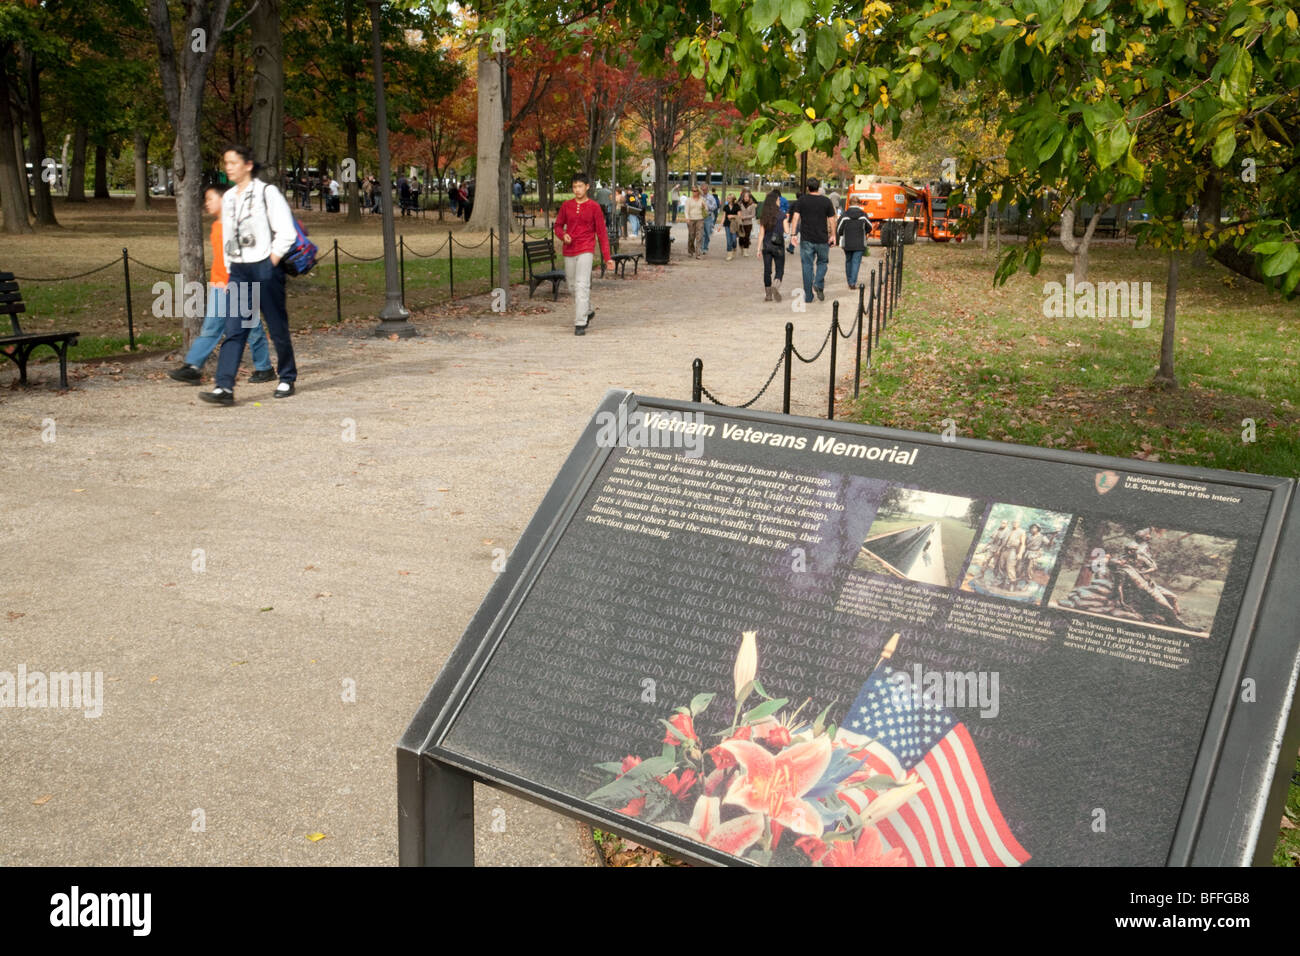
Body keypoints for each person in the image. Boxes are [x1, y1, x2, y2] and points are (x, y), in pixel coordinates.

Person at [200, 144, 299, 405]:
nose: (228, 167)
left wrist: (272, 259)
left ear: (248, 165)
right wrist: (230, 267)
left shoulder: (268, 192)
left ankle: (287, 376)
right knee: (235, 329)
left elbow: (286, 231)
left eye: (233, 162)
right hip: (240, 271)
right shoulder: (230, 197)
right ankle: (224, 387)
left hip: (266, 266)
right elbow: (228, 236)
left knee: (277, 327)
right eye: (226, 163)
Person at [168, 183, 275, 385]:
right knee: (213, 328)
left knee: (251, 327)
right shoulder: (218, 225)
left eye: (210, 199)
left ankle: (264, 368)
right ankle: (193, 367)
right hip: (220, 284)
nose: (206, 203)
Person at [553, 172, 614, 337]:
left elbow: (601, 234)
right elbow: (558, 226)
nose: (577, 189)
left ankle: (580, 323)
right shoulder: (567, 205)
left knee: (582, 285)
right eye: (574, 186)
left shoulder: (594, 207)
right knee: (572, 286)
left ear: (587, 187)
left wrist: (607, 257)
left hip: (586, 249)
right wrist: (562, 235)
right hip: (569, 250)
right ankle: (587, 309)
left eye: (580, 186)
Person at [790, 177, 837, 302]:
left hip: (806, 239)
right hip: (822, 238)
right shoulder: (826, 201)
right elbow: (832, 219)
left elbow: (795, 218)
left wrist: (793, 234)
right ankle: (818, 283)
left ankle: (809, 297)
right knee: (822, 263)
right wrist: (833, 235)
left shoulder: (802, 200)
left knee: (807, 266)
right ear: (818, 187)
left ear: (807, 188)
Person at [835, 198, 872, 290]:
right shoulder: (863, 215)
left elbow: (839, 229)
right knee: (856, 262)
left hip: (847, 243)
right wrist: (865, 231)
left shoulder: (844, 215)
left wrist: (841, 234)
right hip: (859, 243)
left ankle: (849, 281)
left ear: (849, 203)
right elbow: (870, 227)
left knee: (848, 261)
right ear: (859, 203)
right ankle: (853, 282)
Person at [757, 188, 786, 301]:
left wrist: (758, 249)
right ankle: (776, 285)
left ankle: (768, 295)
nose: (779, 201)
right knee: (779, 269)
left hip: (767, 245)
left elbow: (761, 234)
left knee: (767, 270)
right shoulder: (782, 215)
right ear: (775, 201)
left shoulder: (764, 216)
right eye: (778, 199)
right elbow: (787, 230)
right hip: (778, 245)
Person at [684, 186, 706, 258]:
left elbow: (707, 209)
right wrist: (687, 218)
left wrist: (704, 206)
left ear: (698, 191)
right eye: (693, 191)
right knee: (691, 236)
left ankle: (698, 253)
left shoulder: (702, 199)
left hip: (700, 219)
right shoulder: (688, 200)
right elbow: (686, 210)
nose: (694, 192)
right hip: (691, 220)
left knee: (699, 237)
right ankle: (690, 251)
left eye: (696, 191)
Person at [737, 188, 757, 257]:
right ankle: (741, 248)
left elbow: (753, 214)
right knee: (741, 237)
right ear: (742, 197)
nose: (746, 198)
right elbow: (737, 212)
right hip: (741, 223)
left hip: (748, 224)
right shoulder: (739, 204)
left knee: (747, 237)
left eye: (747, 197)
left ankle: (746, 250)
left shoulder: (752, 205)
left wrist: (745, 217)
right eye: (744, 197)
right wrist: (739, 217)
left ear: (749, 197)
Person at [700, 185, 719, 254]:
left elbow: (715, 206)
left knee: (707, 233)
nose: (703, 191)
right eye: (702, 189)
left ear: (707, 190)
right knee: (701, 234)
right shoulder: (699, 197)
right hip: (699, 217)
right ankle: (701, 248)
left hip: (708, 217)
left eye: (705, 190)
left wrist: (706, 206)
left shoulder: (711, 197)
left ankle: (705, 247)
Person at [722, 193, 740, 260]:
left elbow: (740, 216)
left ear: (732, 199)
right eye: (727, 198)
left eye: (729, 198)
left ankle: (734, 247)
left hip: (734, 225)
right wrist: (720, 225)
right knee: (728, 240)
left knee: (734, 239)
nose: (727, 199)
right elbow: (724, 216)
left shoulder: (737, 206)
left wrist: (732, 216)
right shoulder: (725, 207)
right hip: (727, 225)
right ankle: (729, 254)